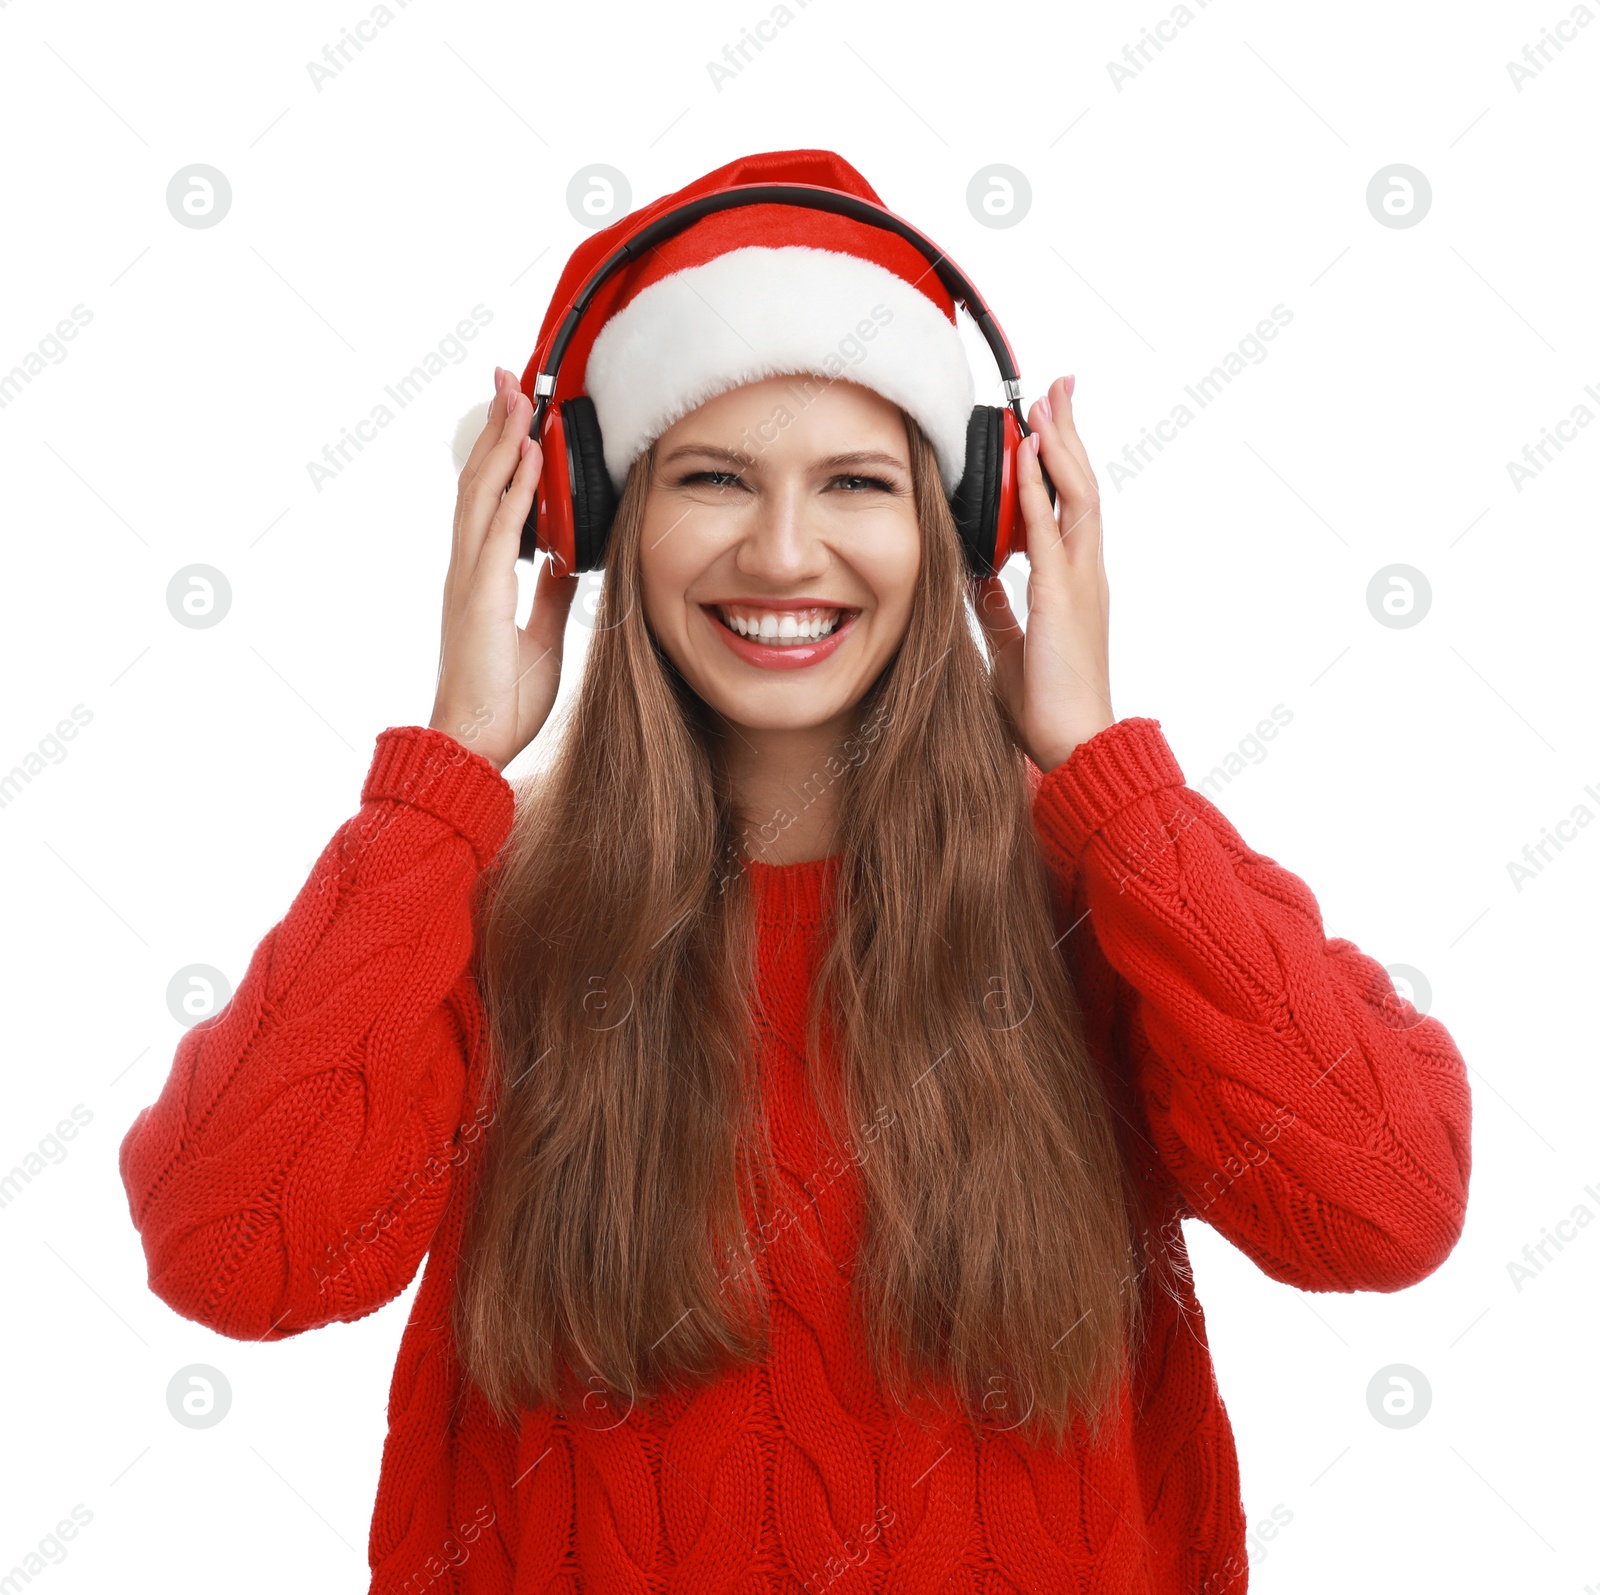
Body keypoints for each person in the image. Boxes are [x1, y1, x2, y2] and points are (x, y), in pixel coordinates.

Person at [118, 149, 1472, 1594]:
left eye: (855, 482)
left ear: (970, 525)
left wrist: (1102, 770)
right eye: (712, 477)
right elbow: (231, 1249)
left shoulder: (1107, 902)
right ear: (589, 523)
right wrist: (443, 778)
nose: (783, 550)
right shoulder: (476, 916)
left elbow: (1385, 1207)